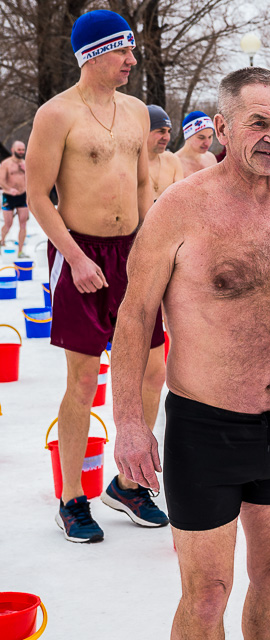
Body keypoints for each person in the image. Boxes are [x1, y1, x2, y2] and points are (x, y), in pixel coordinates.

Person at [111, 66, 270, 639]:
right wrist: (128, 422)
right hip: (206, 429)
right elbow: (134, 316)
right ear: (223, 128)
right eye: (258, 123)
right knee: (206, 595)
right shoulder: (181, 207)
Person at [25, 10, 168, 543]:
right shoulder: (56, 114)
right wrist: (76, 259)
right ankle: (71, 498)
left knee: (153, 370)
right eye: (122, 51)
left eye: (132, 50)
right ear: (93, 54)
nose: (132, 60)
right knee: (84, 379)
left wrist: (150, 247)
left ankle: (128, 484)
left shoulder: (135, 111)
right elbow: (38, 197)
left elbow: (143, 184)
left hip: (131, 252)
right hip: (80, 252)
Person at [146, 105, 184, 200]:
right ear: (145, 130)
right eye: (161, 131)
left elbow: (181, 199)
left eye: (169, 131)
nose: (167, 138)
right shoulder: (129, 164)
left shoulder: (172, 160)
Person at [0, 141, 29, 256]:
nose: (21, 152)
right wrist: (9, 189)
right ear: (13, 150)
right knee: (8, 224)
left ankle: (20, 251)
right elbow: (1, 180)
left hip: (22, 196)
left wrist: (25, 170)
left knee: (23, 224)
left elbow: (31, 179)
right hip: (9, 196)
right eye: (19, 150)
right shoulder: (6, 163)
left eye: (23, 150)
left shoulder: (25, 164)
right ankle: (2, 241)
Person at [175, 110, 217, 176]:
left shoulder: (211, 158)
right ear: (188, 136)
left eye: (210, 137)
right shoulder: (174, 163)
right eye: (201, 138)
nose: (207, 143)